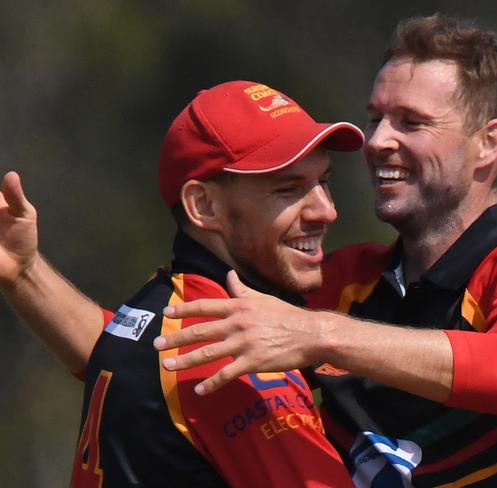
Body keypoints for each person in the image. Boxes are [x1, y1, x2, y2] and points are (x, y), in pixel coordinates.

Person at [1, 14, 497, 488]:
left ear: (489, 145)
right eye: (376, 118)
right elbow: (159, 360)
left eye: (412, 122)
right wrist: (25, 276)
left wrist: (317, 335)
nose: (378, 142)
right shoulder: (350, 283)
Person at [0, 80, 364, 487]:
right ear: (203, 206)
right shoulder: (237, 362)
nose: (326, 211)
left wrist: (26, 272)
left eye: (323, 182)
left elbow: (131, 361)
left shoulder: (153, 308)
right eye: (288, 189)